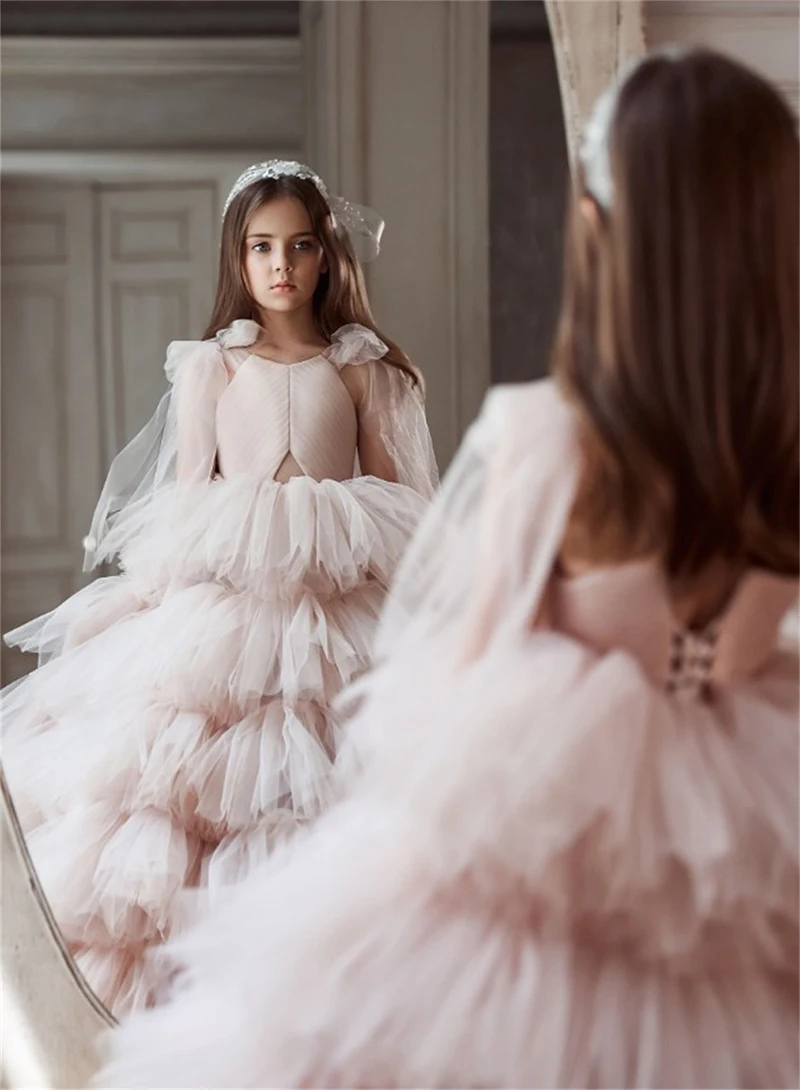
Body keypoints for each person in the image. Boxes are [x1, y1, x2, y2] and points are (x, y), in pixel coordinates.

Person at [98, 47, 798, 1087]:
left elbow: (454, 674)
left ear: (597, 234)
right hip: (744, 826)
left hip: (542, 851)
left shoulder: (550, 438)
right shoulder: (775, 460)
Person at [1, 160, 438, 1017]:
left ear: (325, 259)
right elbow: (189, 496)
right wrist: (145, 606)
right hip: (227, 615)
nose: (281, 265)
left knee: (329, 790)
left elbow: (400, 504)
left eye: (300, 246)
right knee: (201, 792)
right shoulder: (213, 367)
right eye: (262, 247)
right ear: (238, 260)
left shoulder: (359, 365)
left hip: (334, 610)